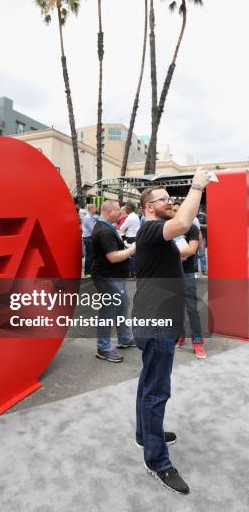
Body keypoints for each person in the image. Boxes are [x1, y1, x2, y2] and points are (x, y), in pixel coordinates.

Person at [132, 170, 211, 495]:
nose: (170, 202)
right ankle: (158, 463)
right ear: (149, 207)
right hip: (155, 322)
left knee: (148, 382)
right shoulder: (151, 229)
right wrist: (197, 185)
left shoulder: (157, 239)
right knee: (157, 391)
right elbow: (181, 224)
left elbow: (183, 240)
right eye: (163, 199)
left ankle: (144, 435)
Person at [91, 200, 137, 362]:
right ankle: (103, 348)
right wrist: (131, 249)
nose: (121, 213)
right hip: (108, 278)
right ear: (109, 211)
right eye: (118, 210)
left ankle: (124, 339)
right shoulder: (104, 231)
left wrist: (124, 247)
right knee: (108, 312)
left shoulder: (106, 227)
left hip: (112, 277)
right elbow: (113, 257)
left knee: (122, 307)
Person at [171, 202, 206, 359]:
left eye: (177, 210)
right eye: (172, 210)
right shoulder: (169, 229)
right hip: (171, 274)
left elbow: (191, 250)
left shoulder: (191, 228)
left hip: (187, 274)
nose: (174, 213)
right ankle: (180, 336)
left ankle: (197, 341)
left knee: (191, 308)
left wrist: (174, 255)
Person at [120, 203, 140, 277]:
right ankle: (134, 272)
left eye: (126, 208)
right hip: (135, 237)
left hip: (130, 238)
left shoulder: (129, 218)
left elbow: (122, 228)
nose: (125, 210)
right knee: (134, 255)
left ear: (129, 209)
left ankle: (131, 273)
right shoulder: (136, 216)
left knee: (131, 255)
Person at [82, 204, 97, 277]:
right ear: (91, 209)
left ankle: (90, 271)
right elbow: (92, 229)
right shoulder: (88, 217)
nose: (96, 209)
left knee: (91, 255)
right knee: (89, 255)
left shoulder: (91, 217)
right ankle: (87, 272)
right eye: (95, 208)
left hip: (89, 238)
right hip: (88, 238)